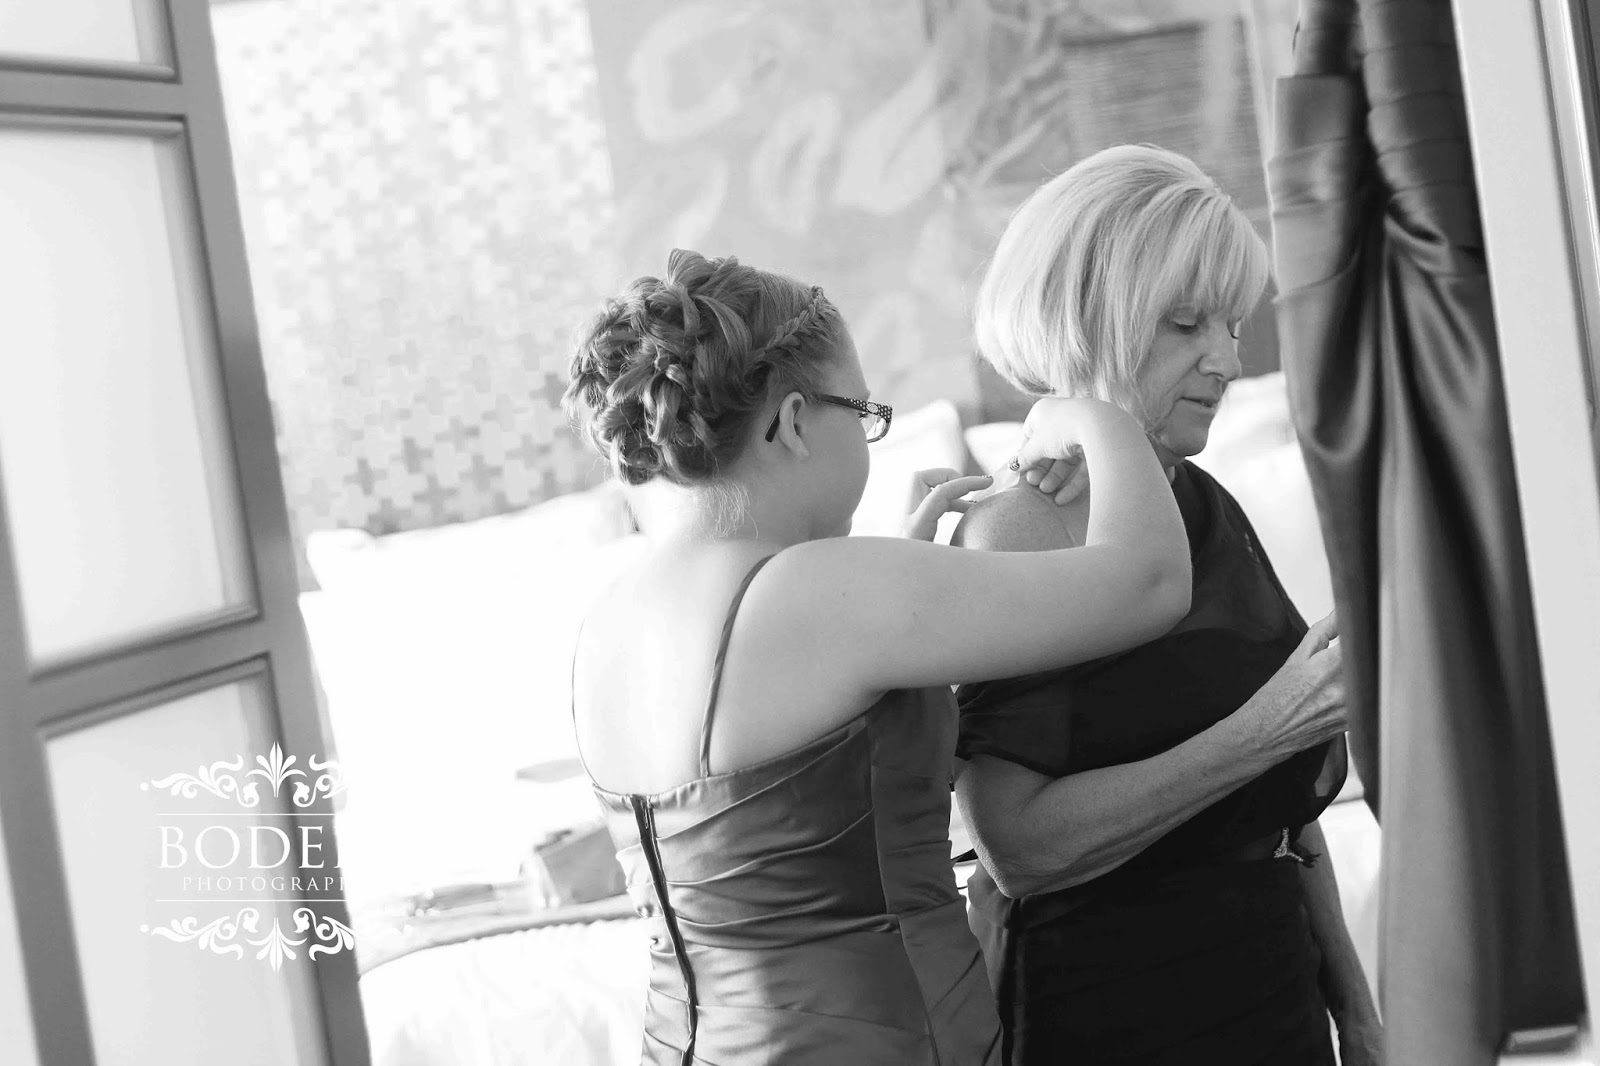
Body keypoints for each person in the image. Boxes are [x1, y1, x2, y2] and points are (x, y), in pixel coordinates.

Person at [563, 247, 1194, 1065]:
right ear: (794, 421)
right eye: (862, 413)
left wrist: (902, 579)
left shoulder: (606, 624)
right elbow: (1151, 582)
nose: (868, 436)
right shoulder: (824, 592)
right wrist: (1090, 415)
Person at [953, 144, 1379, 1066]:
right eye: (1187, 324)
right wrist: (1264, 728)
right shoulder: (1023, 528)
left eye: (1233, 323)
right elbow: (1017, 849)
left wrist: (1357, 1009)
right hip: (1112, 1008)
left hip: (1272, 981)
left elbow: (1285, 807)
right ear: (1088, 322)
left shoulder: (1203, 499)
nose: (1227, 359)